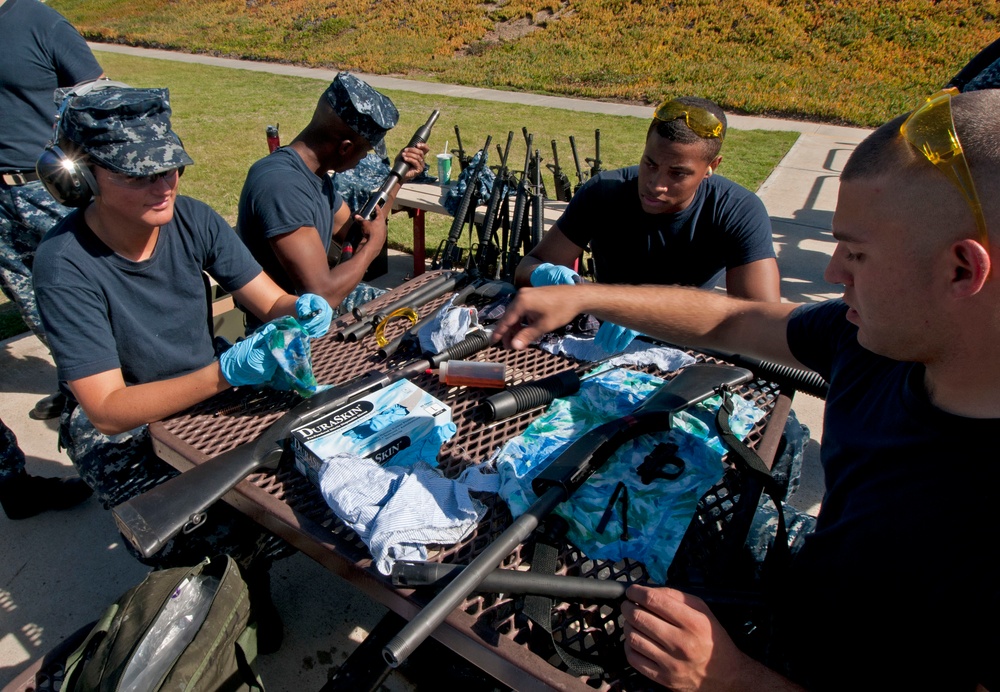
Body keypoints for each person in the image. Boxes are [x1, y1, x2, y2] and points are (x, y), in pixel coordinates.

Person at [493, 87, 1000, 690]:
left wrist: (732, 678)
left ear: (962, 269)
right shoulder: (872, 342)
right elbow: (735, 319)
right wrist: (584, 295)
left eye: (857, 255)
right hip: (818, 591)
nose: (833, 273)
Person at [31, 83, 334, 652]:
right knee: (192, 535)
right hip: (123, 425)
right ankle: (231, 600)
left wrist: (301, 308)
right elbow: (108, 409)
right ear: (83, 177)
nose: (164, 185)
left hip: (209, 385)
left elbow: (267, 300)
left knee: (308, 485)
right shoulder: (64, 263)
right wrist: (228, 373)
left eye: (171, 168)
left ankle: (246, 573)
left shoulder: (191, 219)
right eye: (139, 175)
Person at [514, 96, 780, 353]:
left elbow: (763, 319)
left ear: (711, 166)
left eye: (677, 173)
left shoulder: (736, 210)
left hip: (684, 343)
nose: (656, 184)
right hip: (602, 340)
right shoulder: (604, 192)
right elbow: (527, 268)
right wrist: (544, 272)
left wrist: (652, 318)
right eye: (649, 164)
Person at [0, 0, 104, 518]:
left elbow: (94, 89)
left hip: (46, 188)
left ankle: (107, 397)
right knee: (34, 304)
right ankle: (77, 389)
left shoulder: (34, 19)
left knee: (81, 294)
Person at [236, 72, 428, 332]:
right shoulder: (282, 186)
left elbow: (357, 230)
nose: (363, 159)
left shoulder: (314, 176)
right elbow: (321, 297)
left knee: (419, 308)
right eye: (365, 152)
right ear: (345, 147)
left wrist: (398, 175)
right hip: (282, 335)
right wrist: (373, 247)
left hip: (313, 319)